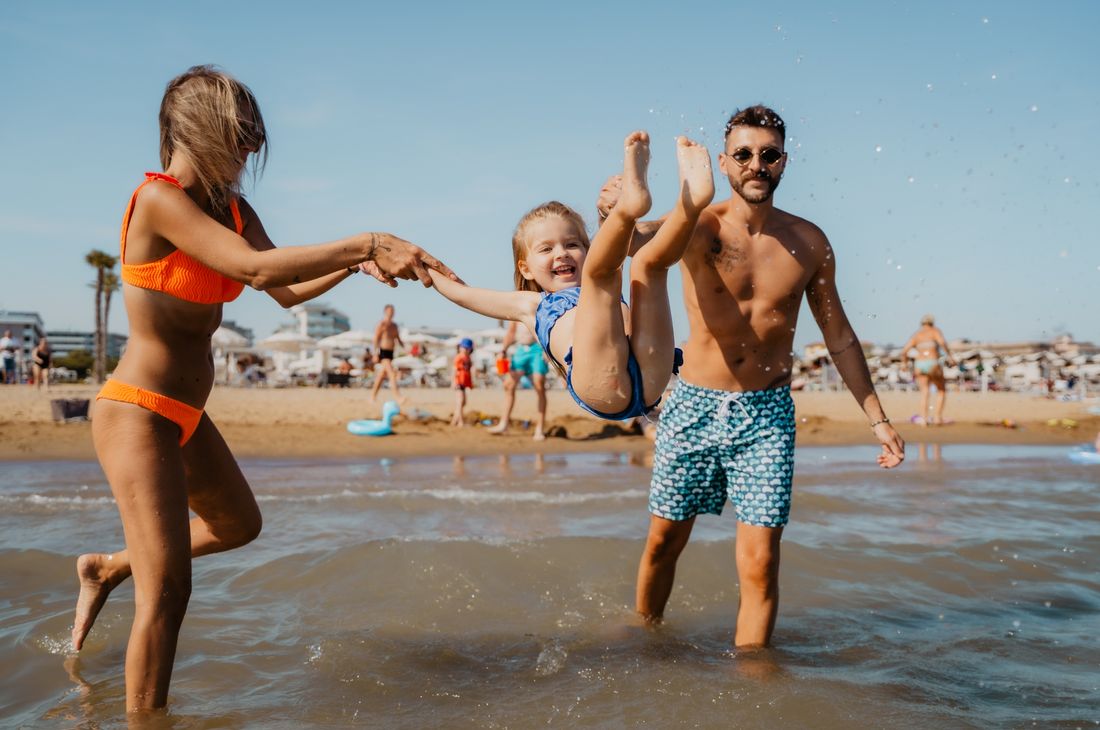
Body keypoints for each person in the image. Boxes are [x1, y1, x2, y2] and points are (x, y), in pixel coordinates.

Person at [69, 65, 453, 713]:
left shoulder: (234, 211)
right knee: (168, 592)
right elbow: (251, 268)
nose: (251, 146)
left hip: (185, 414)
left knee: (239, 524)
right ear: (200, 130)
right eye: (241, 132)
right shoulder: (159, 200)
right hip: (137, 411)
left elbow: (282, 290)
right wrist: (369, 239)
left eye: (254, 133)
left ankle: (107, 566)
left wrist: (353, 267)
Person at [597, 105, 905, 650]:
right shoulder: (700, 225)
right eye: (743, 154)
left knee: (761, 563)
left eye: (768, 155)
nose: (755, 165)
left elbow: (839, 336)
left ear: (784, 162)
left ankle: (752, 683)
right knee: (664, 542)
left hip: (766, 416)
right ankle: (646, 641)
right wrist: (613, 214)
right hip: (691, 404)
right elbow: (637, 246)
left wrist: (877, 419)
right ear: (724, 161)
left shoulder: (809, 242)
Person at [427, 131, 714, 424]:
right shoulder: (531, 304)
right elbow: (462, 294)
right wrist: (421, 267)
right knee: (602, 279)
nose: (562, 254)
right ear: (526, 268)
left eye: (573, 245)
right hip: (602, 385)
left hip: (651, 375)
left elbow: (608, 252)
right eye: (546, 249)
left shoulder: (597, 279)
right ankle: (628, 211)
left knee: (647, 265)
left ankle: (690, 206)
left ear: (587, 250)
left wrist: (608, 221)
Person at [488, 320, 548, 440]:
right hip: (521, 349)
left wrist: (547, 350)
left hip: (537, 349)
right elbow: (511, 332)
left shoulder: (538, 305)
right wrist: (503, 350)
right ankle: (503, 424)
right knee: (508, 385)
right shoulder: (514, 311)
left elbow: (546, 330)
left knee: (539, 385)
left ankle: (539, 428)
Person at [900, 314, 957, 426]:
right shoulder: (935, 331)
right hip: (932, 362)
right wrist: (950, 356)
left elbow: (904, 350)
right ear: (932, 323)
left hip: (919, 364)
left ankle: (924, 419)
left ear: (922, 323)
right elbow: (942, 343)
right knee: (941, 389)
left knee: (924, 392)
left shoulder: (917, 335)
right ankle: (937, 418)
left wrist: (904, 363)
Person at [370, 303, 405, 402]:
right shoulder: (381, 324)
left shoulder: (394, 326)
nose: (391, 313)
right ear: (385, 312)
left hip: (391, 353)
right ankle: (398, 397)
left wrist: (406, 349)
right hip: (383, 352)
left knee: (381, 376)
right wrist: (375, 353)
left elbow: (398, 339)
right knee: (391, 374)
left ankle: (372, 396)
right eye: (390, 311)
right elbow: (376, 339)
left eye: (393, 311)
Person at [451, 337, 474, 427]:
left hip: (464, 382)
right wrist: (452, 381)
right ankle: (461, 422)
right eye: (464, 348)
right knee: (460, 401)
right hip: (458, 381)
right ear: (460, 347)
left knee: (463, 402)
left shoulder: (468, 358)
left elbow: (468, 372)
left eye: (467, 348)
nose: (465, 350)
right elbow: (454, 370)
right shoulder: (459, 357)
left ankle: (454, 420)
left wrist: (470, 384)